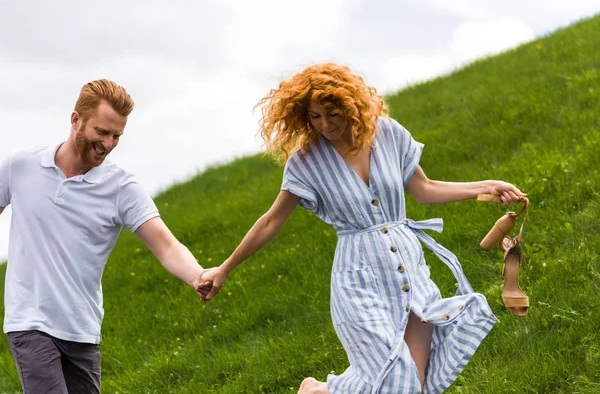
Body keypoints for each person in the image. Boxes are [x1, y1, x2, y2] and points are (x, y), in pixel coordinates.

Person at [199, 63, 526, 393]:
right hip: (358, 282)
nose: (325, 125)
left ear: (350, 105)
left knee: (414, 385)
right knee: (392, 376)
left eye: (332, 113)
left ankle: (319, 391)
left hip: (409, 274)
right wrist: (225, 269)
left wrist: (487, 187)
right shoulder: (306, 162)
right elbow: (270, 221)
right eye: (315, 117)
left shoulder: (387, 133)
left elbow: (424, 189)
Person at [0, 79, 212, 394]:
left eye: (117, 136)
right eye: (102, 132)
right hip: (31, 322)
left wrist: (197, 275)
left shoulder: (121, 187)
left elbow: (165, 244)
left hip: (83, 329)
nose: (109, 144)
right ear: (76, 120)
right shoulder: (21, 166)